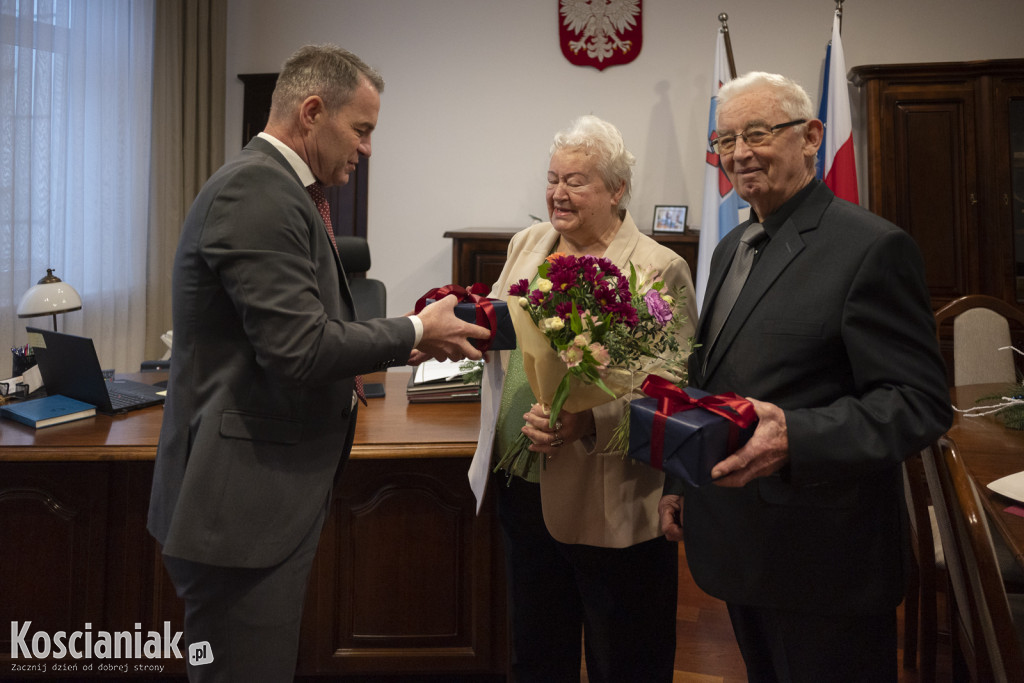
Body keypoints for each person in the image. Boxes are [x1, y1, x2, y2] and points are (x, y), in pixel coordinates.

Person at [147, 44, 489, 682]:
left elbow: (306, 331)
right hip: (239, 506)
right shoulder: (258, 190)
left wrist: (405, 344)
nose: (366, 149)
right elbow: (300, 349)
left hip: (263, 499)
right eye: (361, 130)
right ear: (311, 112)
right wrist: (415, 323)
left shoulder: (285, 191)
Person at [658, 71, 953, 682]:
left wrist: (795, 434)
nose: (739, 153)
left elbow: (917, 403)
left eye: (759, 133)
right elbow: (710, 375)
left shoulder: (871, 247)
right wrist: (680, 481)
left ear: (813, 135)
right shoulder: (731, 245)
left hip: (824, 559)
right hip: (740, 542)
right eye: (726, 138)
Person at [469, 115, 697, 683]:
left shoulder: (657, 269)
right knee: (537, 652)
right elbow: (500, 323)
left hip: (609, 497)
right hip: (522, 484)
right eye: (552, 178)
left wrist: (586, 423)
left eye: (576, 180)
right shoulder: (528, 243)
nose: (557, 193)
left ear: (617, 189)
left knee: (624, 657)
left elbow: (671, 389)